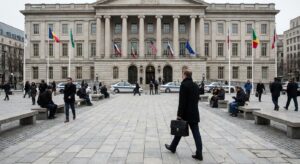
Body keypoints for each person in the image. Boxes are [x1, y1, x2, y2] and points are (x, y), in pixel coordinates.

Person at [165, 69, 203, 161]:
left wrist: (179, 114)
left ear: (185, 75)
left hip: (186, 113)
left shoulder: (184, 85)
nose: (182, 76)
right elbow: (197, 99)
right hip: (194, 113)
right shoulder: (195, 85)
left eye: (182, 74)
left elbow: (182, 102)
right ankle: (199, 153)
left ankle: (173, 147)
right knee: (196, 134)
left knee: (179, 129)